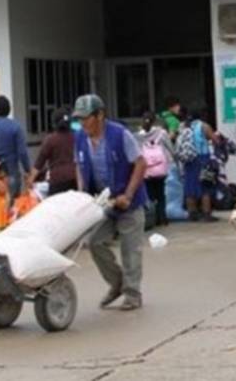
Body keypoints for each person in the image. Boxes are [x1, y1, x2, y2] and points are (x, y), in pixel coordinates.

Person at [73, 94, 148, 311]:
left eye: (86, 118)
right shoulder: (79, 137)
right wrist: (81, 193)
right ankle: (117, 283)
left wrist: (129, 194)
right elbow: (79, 165)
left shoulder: (120, 134)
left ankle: (133, 294)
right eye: (79, 119)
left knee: (130, 248)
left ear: (100, 115)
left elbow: (140, 164)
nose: (83, 123)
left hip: (128, 201)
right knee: (95, 241)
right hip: (103, 201)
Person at [0, 95, 31, 202]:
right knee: (12, 210)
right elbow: (22, 152)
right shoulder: (15, 127)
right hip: (11, 173)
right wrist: (28, 171)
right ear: (8, 109)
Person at [180, 109, 219, 222]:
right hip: (202, 158)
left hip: (189, 159)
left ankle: (192, 213)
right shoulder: (204, 126)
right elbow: (215, 140)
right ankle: (206, 214)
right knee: (205, 185)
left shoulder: (184, 126)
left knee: (190, 185)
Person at [138, 112, 175, 227]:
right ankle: (162, 218)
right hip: (160, 169)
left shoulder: (139, 135)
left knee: (150, 195)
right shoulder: (161, 133)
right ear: (154, 121)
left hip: (147, 170)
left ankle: (152, 219)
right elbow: (170, 147)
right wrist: (173, 158)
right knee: (161, 194)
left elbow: (138, 153)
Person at [29, 107, 78, 195]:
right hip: (75, 180)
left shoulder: (50, 140)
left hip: (57, 181)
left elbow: (39, 164)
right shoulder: (76, 138)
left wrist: (30, 181)